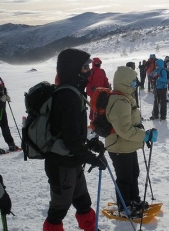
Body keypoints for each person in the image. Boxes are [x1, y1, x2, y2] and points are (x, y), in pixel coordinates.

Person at [43, 48, 108, 231]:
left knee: (83, 201)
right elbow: (70, 140)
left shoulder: (71, 92)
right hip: (62, 163)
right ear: (73, 69)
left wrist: (90, 143)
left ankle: (90, 228)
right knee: (58, 209)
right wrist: (91, 158)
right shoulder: (68, 96)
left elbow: (71, 133)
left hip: (72, 160)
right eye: (85, 67)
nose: (89, 71)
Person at [104, 65, 158, 218]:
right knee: (125, 178)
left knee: (133, 173)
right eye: (133, 81)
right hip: (119, 146)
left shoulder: (126, 97)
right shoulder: (120, 101)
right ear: (125, 82)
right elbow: (125, 130)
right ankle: (124, 206)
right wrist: (144, 136)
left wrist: (143, 132)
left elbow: (131, 124)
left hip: (127, 145)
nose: (136, 84)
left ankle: (133, 200)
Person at [0, 77, 20, 154]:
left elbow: (3, 88)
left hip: (2, 106)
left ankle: (11, 144)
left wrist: (5, 95)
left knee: (5, 125)